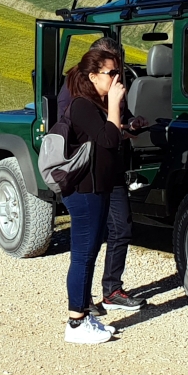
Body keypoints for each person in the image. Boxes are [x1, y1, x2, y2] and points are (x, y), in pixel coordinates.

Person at [60, 48, 132, 344]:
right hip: (84, 191)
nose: (116, 78)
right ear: (93, 76)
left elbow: (110, 139)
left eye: (118, 72)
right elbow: (108, 139)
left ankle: (85, 316)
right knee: (82, 256)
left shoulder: (95, 105)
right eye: (110, 73)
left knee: (89, 255)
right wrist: (115, 104)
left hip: (97, 188)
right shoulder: (82, 105)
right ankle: (75, 324)